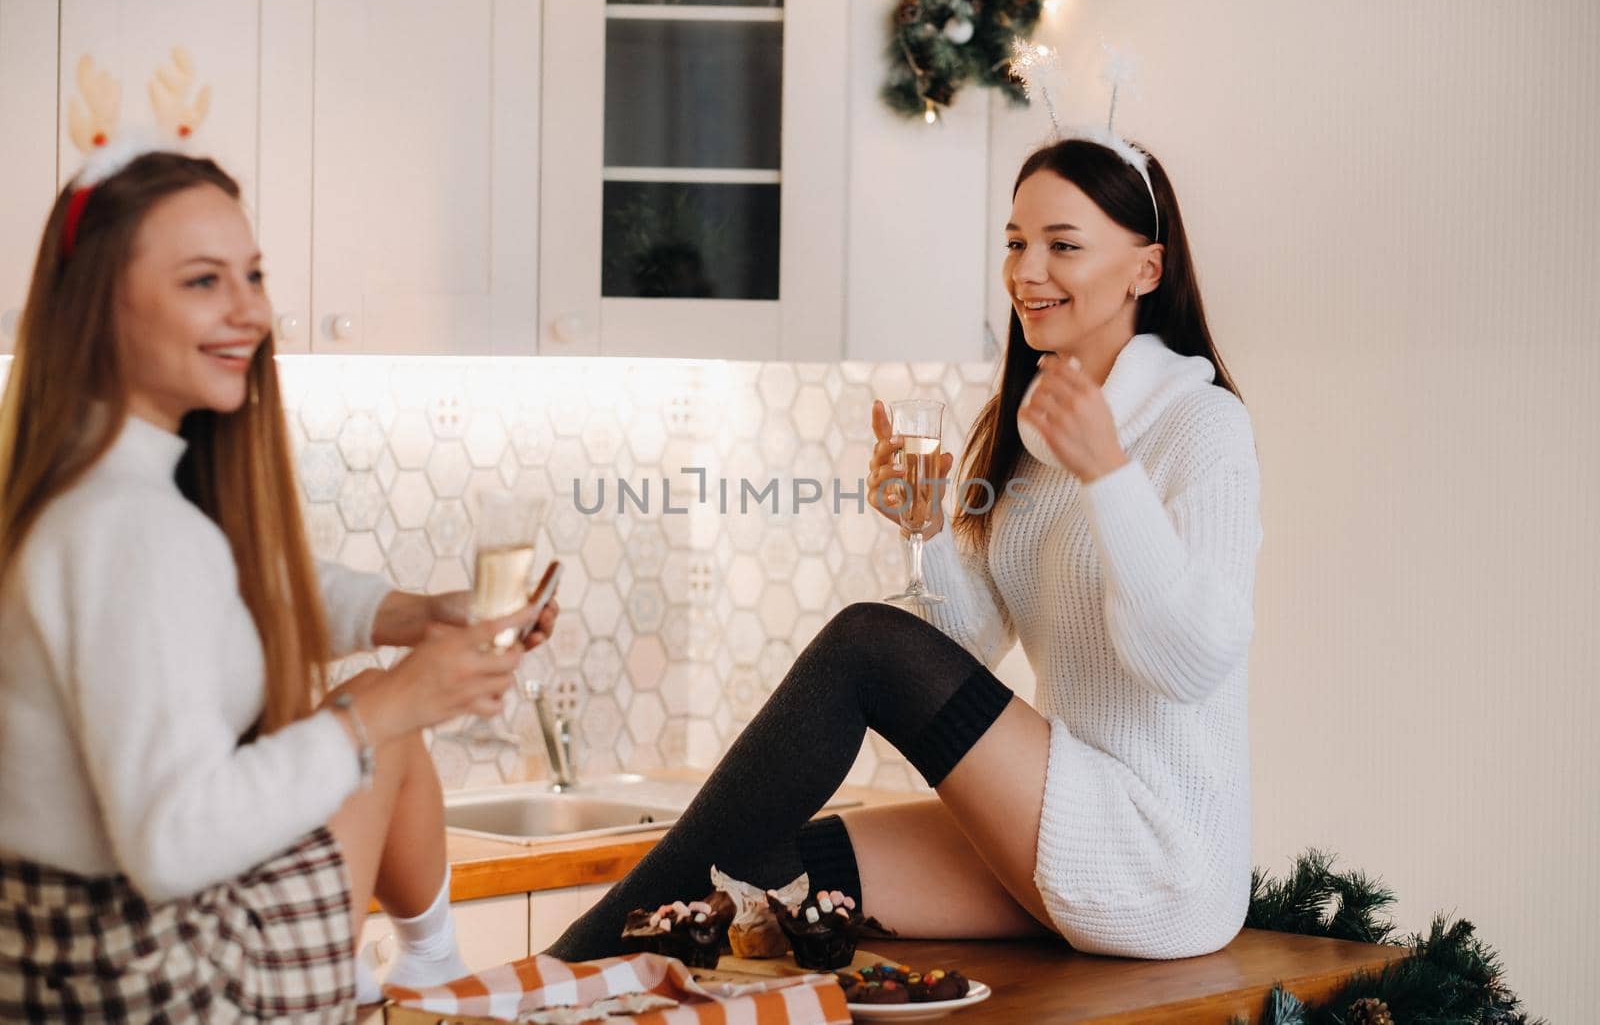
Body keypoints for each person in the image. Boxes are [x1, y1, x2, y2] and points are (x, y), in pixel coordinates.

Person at [547, 136, 1260, 962]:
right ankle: (582, 986)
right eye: (1016, 242)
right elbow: (964, 653)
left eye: (1063, 245)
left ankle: (552, 975)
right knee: (769, 867)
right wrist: (925, 531)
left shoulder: (1202, 426)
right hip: (1064, 812)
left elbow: (1192, 660)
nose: (1028, 271)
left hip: (1163, 859)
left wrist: (1109, 473)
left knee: (866, 642)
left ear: (1147, 269)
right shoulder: (1028, 432)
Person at [0, 149, 558, 1020]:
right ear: (102, 306)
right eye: (202, 281)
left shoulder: (83, 487)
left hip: (50, 972)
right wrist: (387, 706)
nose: (250, 310)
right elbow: (173, 840)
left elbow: (246, 590)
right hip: (169, 986)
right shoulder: (137, 530)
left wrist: (407, 615)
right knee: (378, 719)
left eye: (252, 275)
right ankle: (431, 979)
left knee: (378, 709)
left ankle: (424, 979)